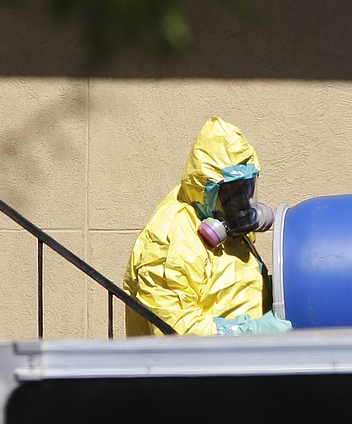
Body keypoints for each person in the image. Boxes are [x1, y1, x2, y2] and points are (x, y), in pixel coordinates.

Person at [123, 116, 292, 336]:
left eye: (247, 188)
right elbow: (177, 329)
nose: (241, 204)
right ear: (205, 190)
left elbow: (236, 289)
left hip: (243, 363)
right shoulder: (170, 239)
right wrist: (250, 332)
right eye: (231, 192)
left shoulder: (227, 229)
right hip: (202, 368)